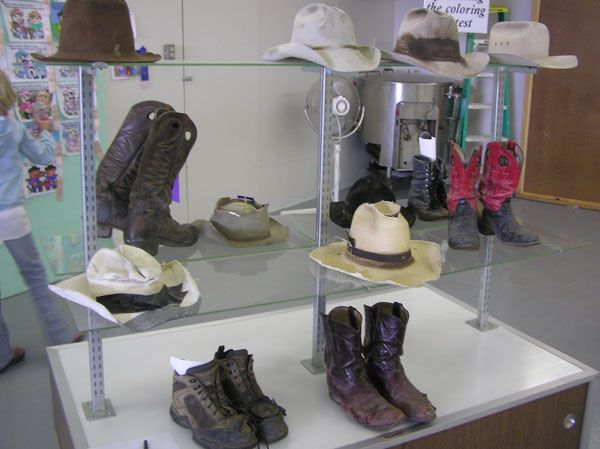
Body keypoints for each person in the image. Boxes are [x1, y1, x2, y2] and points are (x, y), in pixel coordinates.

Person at [0, 69, 78, 374]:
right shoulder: (14, 129)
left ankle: (2, 354)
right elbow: (44, 156)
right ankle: (59, 337)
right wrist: (44, 129)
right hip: (10, 215)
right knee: (35, 279)